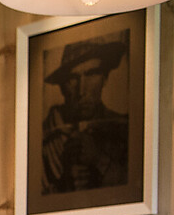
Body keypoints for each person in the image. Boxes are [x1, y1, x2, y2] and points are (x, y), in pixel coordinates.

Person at [40, 34, 130, 195]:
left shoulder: (123, 130)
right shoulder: (45, 139)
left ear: (104, 78)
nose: (82, 90)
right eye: (73, 79)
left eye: (91, 75)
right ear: (62, 87)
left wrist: (98, 159)